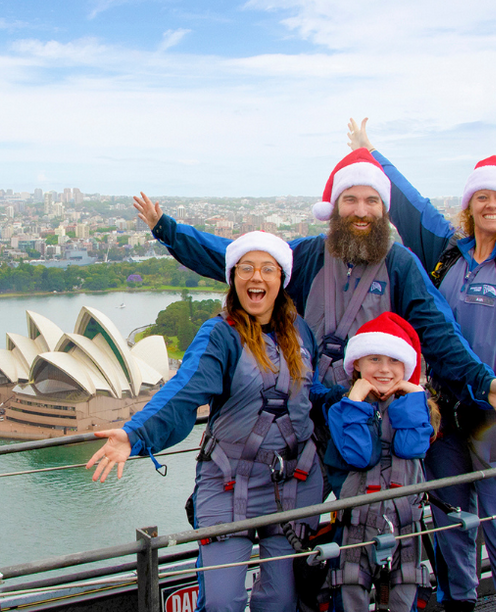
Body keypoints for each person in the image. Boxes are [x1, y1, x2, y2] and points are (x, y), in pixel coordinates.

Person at [132, 150, 496, 432]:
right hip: (308, 407)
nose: (361, 211)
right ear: (335, 206)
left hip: (375, 410)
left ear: (383, 210)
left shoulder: (400, 265)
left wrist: (484, 383)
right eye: (350, 200)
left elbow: (439, 332)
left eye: (371, 201)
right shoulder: (309, 255)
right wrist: (169, 230)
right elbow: (242, 261)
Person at [347, 118, 496, 612]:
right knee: (452, 525)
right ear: (470, 204)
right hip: (444, 415)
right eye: (482, 197)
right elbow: (412, 208)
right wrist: (373, 153)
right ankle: (462, 603)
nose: (491, 206)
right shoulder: (447, 254)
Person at [87, 232, 322, 612]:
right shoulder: (221, 335)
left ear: (282, 279)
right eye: (246, 269)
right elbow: (185, 389)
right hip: (231, 482)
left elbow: (314, 396)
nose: (256, 278)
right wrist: (135, 434)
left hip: (291, 484)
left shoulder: (300, 332)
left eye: (267, 269)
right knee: (222, 601)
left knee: (281, 601)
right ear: (233, 278)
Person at [326, 312, 439, 612]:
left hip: (404, 524)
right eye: (374, 359)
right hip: (356, 526)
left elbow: (411, 446)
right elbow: (360, 455)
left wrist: (414, 397)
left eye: (394, 361)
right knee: (350, 590)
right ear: (357, 365)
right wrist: (355, 402)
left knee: (405, 595)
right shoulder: (342, 409)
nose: (385, 370)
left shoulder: (416, 407)